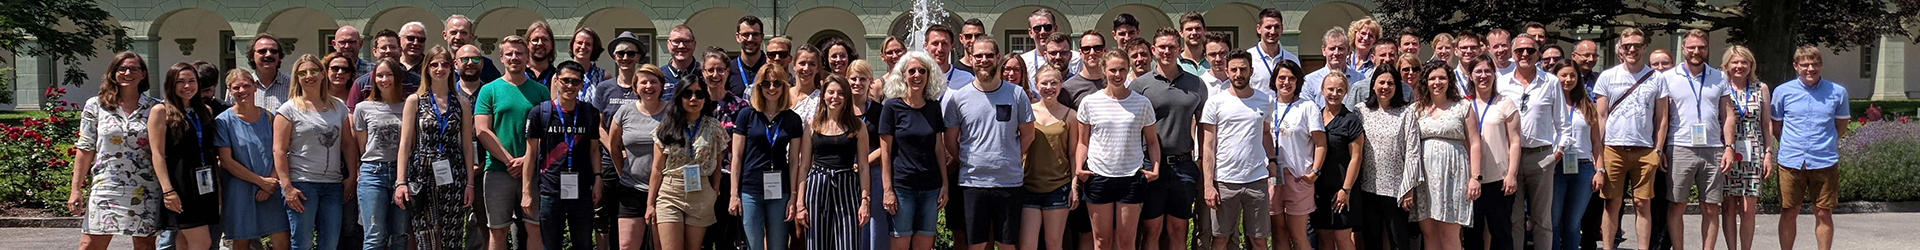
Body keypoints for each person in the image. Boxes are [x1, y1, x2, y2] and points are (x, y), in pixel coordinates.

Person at [943, 37, 1035, 250]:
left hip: (1009, 182)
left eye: (989, 55)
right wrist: (967, 160)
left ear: (997, 58)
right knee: (975, 245)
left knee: (1007, 245)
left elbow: (1028, 135)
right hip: (973, 183)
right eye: (979, 56)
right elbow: (950, 140)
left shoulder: (1016, 94)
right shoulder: (959, 98)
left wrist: (1008, 157)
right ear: (971, 58)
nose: (984, 60)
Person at [390, 46, 476, 250]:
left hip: (454, 172)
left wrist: (470, 184)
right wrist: (401, 181)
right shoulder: (415, 101)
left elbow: (466, 144)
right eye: (434, 64)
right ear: (427, 69)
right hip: (422, 172)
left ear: (451, 67)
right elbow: (405, 144)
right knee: (425, 235)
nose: (440, 69)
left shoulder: (461, 102)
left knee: (452, 235)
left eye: (445, 64)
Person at [1131, 28, 1207, 250]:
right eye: (1162, 47)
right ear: (1154, 50)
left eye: (1172, 47)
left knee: (1178, 230)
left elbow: (1203, 125)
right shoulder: (1139, 85)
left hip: (1183, 165)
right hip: (1150, 165)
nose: (1167, 51)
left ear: (1179, 49)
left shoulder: (1196, 84)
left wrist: (1201, 159)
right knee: (1151, 231)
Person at [1076, 50, 1160, 250]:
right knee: (1101, 241)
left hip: (1131, 177)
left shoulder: (1142, 103)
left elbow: (1152, 141)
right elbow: (1082, 142)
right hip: (1098, 176)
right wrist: (1079, 168)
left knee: (1126, 242)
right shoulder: (1089, 102)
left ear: (1128, 69)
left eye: (1122, 69)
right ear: (1104, 70)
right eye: (1113, 69)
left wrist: (1156, 168)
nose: (1117, 74)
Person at [475, 35, 553, 250]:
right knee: (497, 230)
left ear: (527, 57)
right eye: (509, 53)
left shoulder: (541, 91)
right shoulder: (488, 90)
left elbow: (547, 133)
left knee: (535, 228)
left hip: (534, 172)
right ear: (501, 58)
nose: (514, 57)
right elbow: (482, 130)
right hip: (498, 171)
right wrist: (510, 160)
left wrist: (525, 160)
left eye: (519, 53)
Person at [1659, 29, 1733, 250]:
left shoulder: (1719, 77)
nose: (1696, 51)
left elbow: (1728, 115)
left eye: (1701, 47)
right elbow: (1661, 118)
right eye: (1691, 47)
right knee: (1677, 205)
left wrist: (1728, 147)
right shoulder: (1668, 77)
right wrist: (1660, 148)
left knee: (1710, 207)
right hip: (1680, 146)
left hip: (1713, 148)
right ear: (1683, 48)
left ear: (1707, 48)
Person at [1594, 28, 1668, 250]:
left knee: (1642, 203)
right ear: (1620, 48)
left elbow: (1662, 118)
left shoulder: (1657, 78)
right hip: (1613, 148)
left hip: (1644, 149)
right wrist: (1598, 151)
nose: (1632, 50)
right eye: (1627, 46)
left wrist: (1658, 150)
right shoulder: (1608, 76)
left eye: (1637, 45)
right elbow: (1600, 116)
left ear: (1644, 47)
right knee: (1611, 203)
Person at [273, 54, 353, 250]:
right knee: (303, 243)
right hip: (302, 185)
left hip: (332, 186)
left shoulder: (338, 107)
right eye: (303, 73)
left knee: (330, 243)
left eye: (314, 71)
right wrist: (287, 187)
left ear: (323, 74)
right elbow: (279, 150)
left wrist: (351, 176)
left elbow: (348, 144)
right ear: (297, 78)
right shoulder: (288, 109)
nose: (309, 76)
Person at [524, 61, 605, 250]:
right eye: (565, 80)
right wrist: (526, 192)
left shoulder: (589, 112)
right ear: (556, 81)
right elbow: (531, 153)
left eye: (575, 82)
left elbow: (594, 149)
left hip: (582, 190)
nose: (570, 86)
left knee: (583, 244)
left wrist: (598, 179)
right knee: (550, 245)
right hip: (550, 190)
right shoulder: (540, 112)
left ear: (582, 85)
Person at [1773, 45, 1847, 250]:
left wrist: (1823, 143)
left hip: (1824, 160)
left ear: (1821, 65)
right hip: (1791, 160)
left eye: (1814, 64)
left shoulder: (1837, 92)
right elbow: (1776, 126)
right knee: (1789, 211)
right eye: (1804, 65)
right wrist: (1792, 144)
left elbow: (1840, 126)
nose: (1810, 69)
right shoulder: (1782, 92)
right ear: (1796, 66)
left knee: (1823, 212)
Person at [1199, 51, 1275, 250]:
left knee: (1259, 240)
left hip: (1256, 180)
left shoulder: (1265, 100)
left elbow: (1266, 134)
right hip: (1225, 180)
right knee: (1220, 239)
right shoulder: (1215, 103)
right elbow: (1208, 146)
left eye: (1243, 69)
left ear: (1251, 71)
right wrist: (1208, 185)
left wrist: (1273, 160)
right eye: (1234, 70)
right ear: (1227, 71)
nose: (1238, 74)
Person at [1497, 34, 1567, 250]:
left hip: (1542, 157)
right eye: (1519, 51)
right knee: (1514, 219)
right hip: (1511, 160)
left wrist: (1557, 154)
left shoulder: (1551, 82)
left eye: (1530, 50)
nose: (1525, 54)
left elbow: (1563, 123)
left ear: (1538, 53)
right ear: (1512, 53)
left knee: (1542, 221)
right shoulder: (1501, 83)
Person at [1405, 61, 1482, 250]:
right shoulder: (1416, 109)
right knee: (1430, 234)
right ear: (1425, 82)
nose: (1437, 82)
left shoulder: (1463, 106)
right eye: (1432, 78)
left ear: (1449, 81)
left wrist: (1475, 177)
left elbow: (1474, 142)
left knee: (1450, 235)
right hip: (1424, 178)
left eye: (1442, 78)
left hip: (1454, 176)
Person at [214, 69, 294, 250]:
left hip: (272, 186)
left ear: (255, 87)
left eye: (246, 85)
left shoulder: (269, 117)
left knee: (281, 238)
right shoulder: (223, 121)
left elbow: (280, 151)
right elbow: (226, 161)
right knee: (242, 241)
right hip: (240, 188)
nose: (242, 90)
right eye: (236, 87)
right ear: (229, 90)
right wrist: (260, 182)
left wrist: (271, 182)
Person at [878, 51, 950, 250]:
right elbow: (885, 152)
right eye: (912, 71)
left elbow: (938, 148)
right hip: (902, 188)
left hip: (931, 188)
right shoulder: (892, 107)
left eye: (922, 71)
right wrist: (887, 190)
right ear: (903, 75)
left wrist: (945, 185)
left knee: (924, 245)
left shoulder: (934, 107)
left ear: (929, 75)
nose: (917, 75)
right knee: (900, 244)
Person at [728, 63, 804, 250]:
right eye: (766, 84)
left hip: (780, 190)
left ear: (784, 86)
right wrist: (733, 194)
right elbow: (736, 156)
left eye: (777, 83)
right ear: (759, 87)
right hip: (750, 189)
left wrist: (793, 197)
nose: (772, 88)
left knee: (778, 245)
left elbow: (794, 161)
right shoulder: (746, 115)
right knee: (753, 245)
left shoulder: (792, 119)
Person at [649, 79, 729, 250]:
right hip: (671, 191)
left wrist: (714, 190)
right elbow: (656, 169)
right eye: (688, 94)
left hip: (701, 190)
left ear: (705, 98)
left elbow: (717, 162)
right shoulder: (667, 126)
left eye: (699, 94)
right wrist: (650, 204)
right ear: (679, 97)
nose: (693, 99)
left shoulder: (713, 126)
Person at [794, 75, 873, 249]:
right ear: (823, 95)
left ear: (847, 97)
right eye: (830, 92)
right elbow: (804, 166)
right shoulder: (812, 125)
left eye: (840, 93)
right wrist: (800, 204)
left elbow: (864, 166)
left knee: (848, 242)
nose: (834, 97)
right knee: (817, 243)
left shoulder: (858, 126)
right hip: (817, 186)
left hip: (847, 186)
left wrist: (865, 200)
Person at [149, 62, 221, 250]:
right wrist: (167, 190)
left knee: (184, 240)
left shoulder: (205, 111)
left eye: (192, 81)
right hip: (180, 183)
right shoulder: (161, 111)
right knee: (202, 242)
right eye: (181, 82)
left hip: (205, 183)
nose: (187, 86)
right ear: (171, 85)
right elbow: (157, 153)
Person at [349, 59, 413, 250]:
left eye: (389, 75)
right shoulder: (362, 108)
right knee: (374, 236)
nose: (384, 80)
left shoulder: (408, 106)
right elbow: (362, 145)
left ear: (398, 77)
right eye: (379, 75)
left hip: (402, 174)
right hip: (373, 173)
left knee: (400, 235)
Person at [1355, 64, 1419, 250]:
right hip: (1368, 188)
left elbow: (1413, 153)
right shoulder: (1361, 111)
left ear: (1397, 86)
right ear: (1373, 84)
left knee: (1399, 241)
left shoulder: (1406, 113)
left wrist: (1408, 188)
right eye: (1381, 82)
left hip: (1396, 189)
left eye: (1390, 83)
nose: (1385, 87)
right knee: (1372, 241)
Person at [1462, 55, 1520, 250]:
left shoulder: (1505, 103)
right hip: (1470, 180)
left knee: (1501, 232)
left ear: (1494, 75)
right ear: (1470, 76)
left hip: (1499, 180)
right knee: (1472, 234)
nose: (1483, 75)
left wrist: (1511, 174)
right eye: (1478, 71)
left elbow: (1514, 141)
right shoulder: (1463, 104)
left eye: (1488, 71)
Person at [610, 64, 669, 250]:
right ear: (635, 87)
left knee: (659, 245)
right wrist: (623, 172)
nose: (649, 86)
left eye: (654, 82)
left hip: (665, 190)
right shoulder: (625, 112)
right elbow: (614, 146)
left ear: (661, 85)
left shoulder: (673, 112)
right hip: (631, 188)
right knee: (627, 245)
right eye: (644, 82)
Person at [1716, 45, 1770, 250]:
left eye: (1744, 62)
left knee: (1748, 208)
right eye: (1735, 62)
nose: (1739, 66)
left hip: (1753, 152)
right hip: (1726, 151)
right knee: (1728, 206)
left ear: (1751, 65)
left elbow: (1766, 124)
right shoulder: (1721, 88)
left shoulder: (1760, 88)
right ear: (1727, 65)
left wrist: (1767, 153)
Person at [1265, 59, 1321, 250]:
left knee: (1298, 235)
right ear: (1274, 80)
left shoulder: (1308, 107)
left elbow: (1321, 143)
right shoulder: (1267, 105)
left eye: (1291, 78)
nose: (1286, 82)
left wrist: (1314, 172)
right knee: (1278, 233)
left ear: (1298, 82)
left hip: (1299, 177)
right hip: (1272, 177)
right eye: (1282, 78)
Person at [1021, 66, 1077, 250]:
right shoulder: (1027, 111)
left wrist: (1074, 185)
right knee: (1027, 245)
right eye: (1044, 83)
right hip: (1028, 185)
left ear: (1061, 85)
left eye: (1054, 82)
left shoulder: (1070, 116)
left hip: (1057, 186)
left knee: (1053, 243)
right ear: (1036, 85)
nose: (1049, 87)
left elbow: (1073, 153)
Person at [1548, 62, 1600, 250]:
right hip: (1555, 165)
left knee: (1572, 223)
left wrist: (1599, 170)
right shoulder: (1548, 104)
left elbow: (1596, 142)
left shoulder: (1587, 105)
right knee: (1552, 222)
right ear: (1555, 77)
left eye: (1572, 76)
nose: (1568, 80)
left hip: (1583, 167)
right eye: (1563, 75)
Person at [1316, 72, 1364, 250]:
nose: (1334, 94)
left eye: (1339, 90)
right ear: (1322, 90)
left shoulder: (1351, 120)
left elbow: (1356, 157)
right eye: (1330, 89)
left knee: (1342, 238)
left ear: (1345, 93)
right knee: (1324, 239)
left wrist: (1346, 189)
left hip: (1342, 188)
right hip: (1319, 189)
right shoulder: (1316, 117)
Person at [1301, 27, 1365, 107]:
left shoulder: (1360, 79)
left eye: (1341, 48)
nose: (1336, 53)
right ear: (1324, 51)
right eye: (1332, 48)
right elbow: (1307, 112)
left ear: (1348, 50)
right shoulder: (1310, 81)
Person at [1247, 8, 1302, 93]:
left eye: (1276, 27)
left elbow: (1298, 90)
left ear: (1282, 28)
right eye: (1268, 27)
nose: (1272, 32)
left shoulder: (1292, 59)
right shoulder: (1248, 58)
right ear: (1259, 29)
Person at [1023, 9, 1082, 84]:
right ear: (1030, 32)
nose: (1043, 32)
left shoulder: (1077, 59)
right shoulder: (1024, 62)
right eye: (1037, 28)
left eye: (1047, 27)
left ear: (1055, 29)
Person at [443, 15, 504, 83]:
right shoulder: (438, 64)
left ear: (471, 36)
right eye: (453, 32)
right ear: (445, 35)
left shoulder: (485, 65)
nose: (458, 37)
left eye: (463, 33)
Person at [1059, 31, 1110, 109]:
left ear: (1105, 51)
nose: (1092, 53)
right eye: (1086, 49)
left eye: (1097, 48)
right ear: (1080, 53)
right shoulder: (1068, 89)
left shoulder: (1114, 82)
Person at [246, 34, 292, 111]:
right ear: (252, 57)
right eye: (262, 51)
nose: (268, 54)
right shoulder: (240, 87)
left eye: (273, 51)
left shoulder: (293, 84)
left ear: (280, 57)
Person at [568, 27, 610, 101]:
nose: (583, 47)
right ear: (572, 45)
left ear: (594, 48)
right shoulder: (559, 76)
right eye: (579, 43)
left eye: (588, 44)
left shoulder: (604, 76)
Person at [731, 16, 769, 97]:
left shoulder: (772, 67)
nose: (750, 39)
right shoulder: (729, 69)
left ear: (762, 37)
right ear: (738, 37)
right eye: (745, 34)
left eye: (755, 34)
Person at [661, 26, 698, 100]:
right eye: (676, 41)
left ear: (694, 44)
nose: (681, 46)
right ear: (668, 44)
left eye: (687, 41)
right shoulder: (659, 77)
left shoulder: (706, 75)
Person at [791, 45, 826, 122]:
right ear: (794, 65)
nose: (806, 68)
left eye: (812, 64)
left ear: (817, 68)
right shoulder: (782, 94)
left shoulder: (821, 100)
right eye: (802, 63)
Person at [526, 21, 560, 85]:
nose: (540, 43)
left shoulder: (558, 77)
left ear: (551, 44)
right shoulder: (518, 74)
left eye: (545, 39)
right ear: (527, 44)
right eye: (535, 40)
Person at [1177, 12, 1211, 76]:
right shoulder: (1175, 63)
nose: (1194, 33)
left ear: (1205, 31)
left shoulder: (1213, 61)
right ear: (1181, 33)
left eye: (1198, 29)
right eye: (1189, 29)